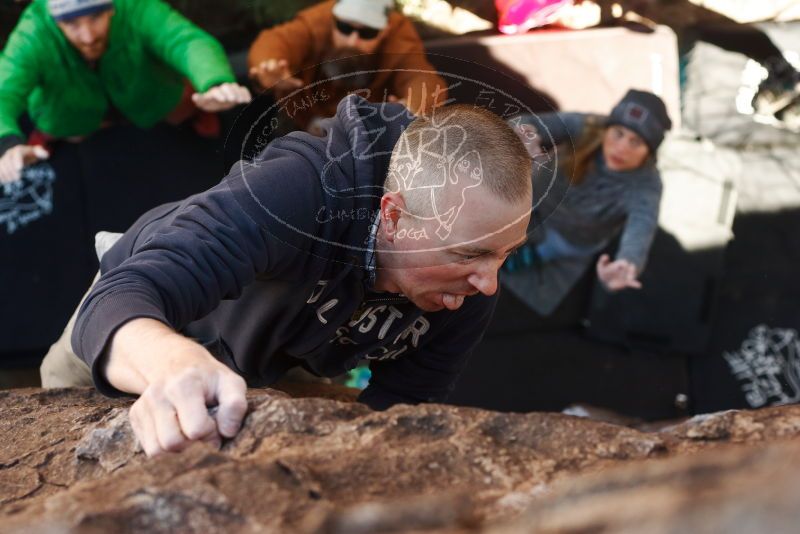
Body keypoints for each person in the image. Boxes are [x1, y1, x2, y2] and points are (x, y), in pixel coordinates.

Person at [40, 95, 532, 456]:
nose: (488, 284)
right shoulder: (293, 194)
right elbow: (121, 297)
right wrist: (170, 364)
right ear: (395, 215)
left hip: (275, 355)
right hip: (150, 321)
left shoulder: (466, 290)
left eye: (506, 253)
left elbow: (405, 405)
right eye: (471, 254)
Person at [0, 0, 252, 184]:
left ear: (111, 7)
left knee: (183, 105)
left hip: (147, 91)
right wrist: (7, 142)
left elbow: (185, 40)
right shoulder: (32, 31)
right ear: (54, 18)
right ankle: (49, 135)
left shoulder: (136, 7)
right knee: (65, 129)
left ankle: (195, 113)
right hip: (70, 108)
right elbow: (4, 87)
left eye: (95, 16)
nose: (87, 36)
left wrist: (213, 81)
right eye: (71, 23)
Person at [502, 89, 672, 316]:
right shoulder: (588, 127)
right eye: (618, 133)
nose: (622, 147)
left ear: (649, 152)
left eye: (636, 142)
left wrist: (627, 263)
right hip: (535, 199)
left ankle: (534, 255)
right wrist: (525, 135)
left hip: (569, 236)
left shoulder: (646, 186)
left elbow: (642, 228)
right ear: (607, 128)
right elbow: (529, 123)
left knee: (521, 259)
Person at [247, 0, 448, 134]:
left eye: (367, 33)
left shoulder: (398, 38)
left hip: (366, 130)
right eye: (345, 27)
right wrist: (268, 66)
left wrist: (413, 106)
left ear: (385, 31)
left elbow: (420, 77)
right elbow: (276, 41)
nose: (353, 41)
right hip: (302, 119)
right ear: (334, 20)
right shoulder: (316, 22)